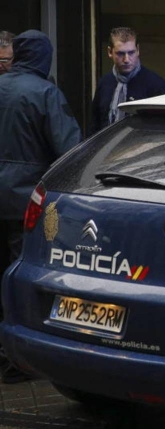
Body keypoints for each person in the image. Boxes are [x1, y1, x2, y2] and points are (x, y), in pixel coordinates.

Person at [0, 30, 81, 384]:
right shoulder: (45, 93)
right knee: (24, 277)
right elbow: (70, 151)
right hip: (24, 203)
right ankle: (18, 360)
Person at [90, 26, 165, 135]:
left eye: (131, 53)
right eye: (120, 54)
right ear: (110, 52)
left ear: (138, 50)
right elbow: (95, 127)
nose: (127, 60)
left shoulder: (156, 86)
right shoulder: (105, 84)